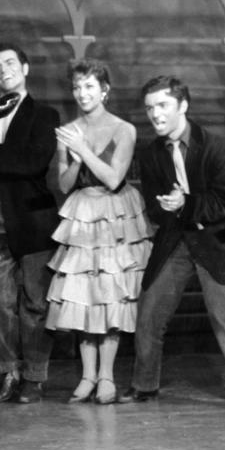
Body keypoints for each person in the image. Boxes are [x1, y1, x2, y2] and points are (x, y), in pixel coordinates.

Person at [119, 75, 225, 410]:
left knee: (223, 311)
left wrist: (186, 203)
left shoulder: (218, 146)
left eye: (163, 106)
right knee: (149, 308)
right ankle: (144, 386)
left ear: (183, 106)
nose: (155, 114)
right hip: (175, 238)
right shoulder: (151, 153)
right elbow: (154, 207)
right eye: (149, 108)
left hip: (217, 236)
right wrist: (167, 208)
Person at [45, 60, 152, 404]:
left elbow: (113, 177)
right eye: (77, 87)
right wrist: (75, 156)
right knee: (83, 295)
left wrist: (84, 149)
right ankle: (87, 375)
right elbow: (63, 184)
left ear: (104, 90)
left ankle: (106, 375)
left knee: (110, 294)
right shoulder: (68, 130)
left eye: (90, 86)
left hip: (114, 213)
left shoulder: (124, 130)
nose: (82, 93)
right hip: (82, 213)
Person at [0, 42, 59, 404]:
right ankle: (9, 372)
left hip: (33, 219)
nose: (3, 69)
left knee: (36, 302)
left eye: (10, 62)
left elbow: (34, 162)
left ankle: (35, 379)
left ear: (25, 68)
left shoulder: (45, 114)